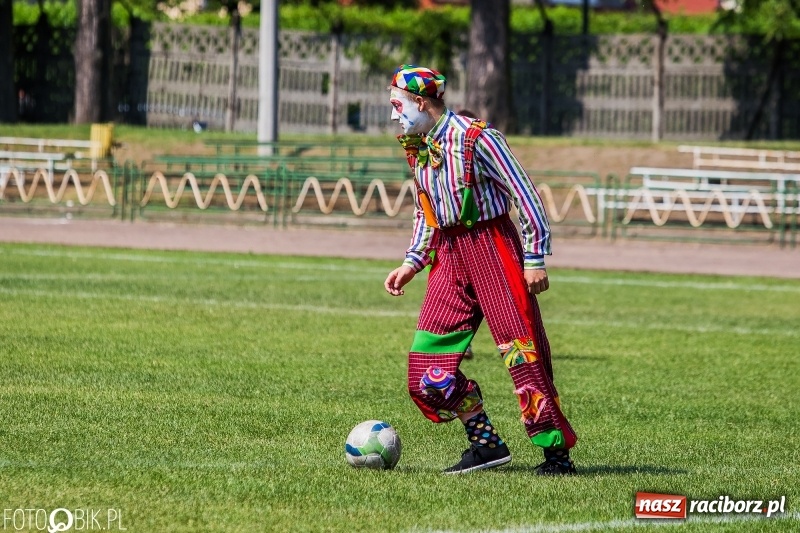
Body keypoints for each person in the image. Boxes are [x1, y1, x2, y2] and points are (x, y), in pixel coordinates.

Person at [383, 64, 578, 475]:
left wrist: (535, 255)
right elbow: (426, 210)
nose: (394, 115)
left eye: (397, 105)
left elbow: (523, 192)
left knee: (523, 354)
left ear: (421, 102)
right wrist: (412, 261)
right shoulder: (417, 144)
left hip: (494, 249)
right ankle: (486, 443)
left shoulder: (478, 138)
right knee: (424, 370)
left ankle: (556, 454)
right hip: (449, 258)